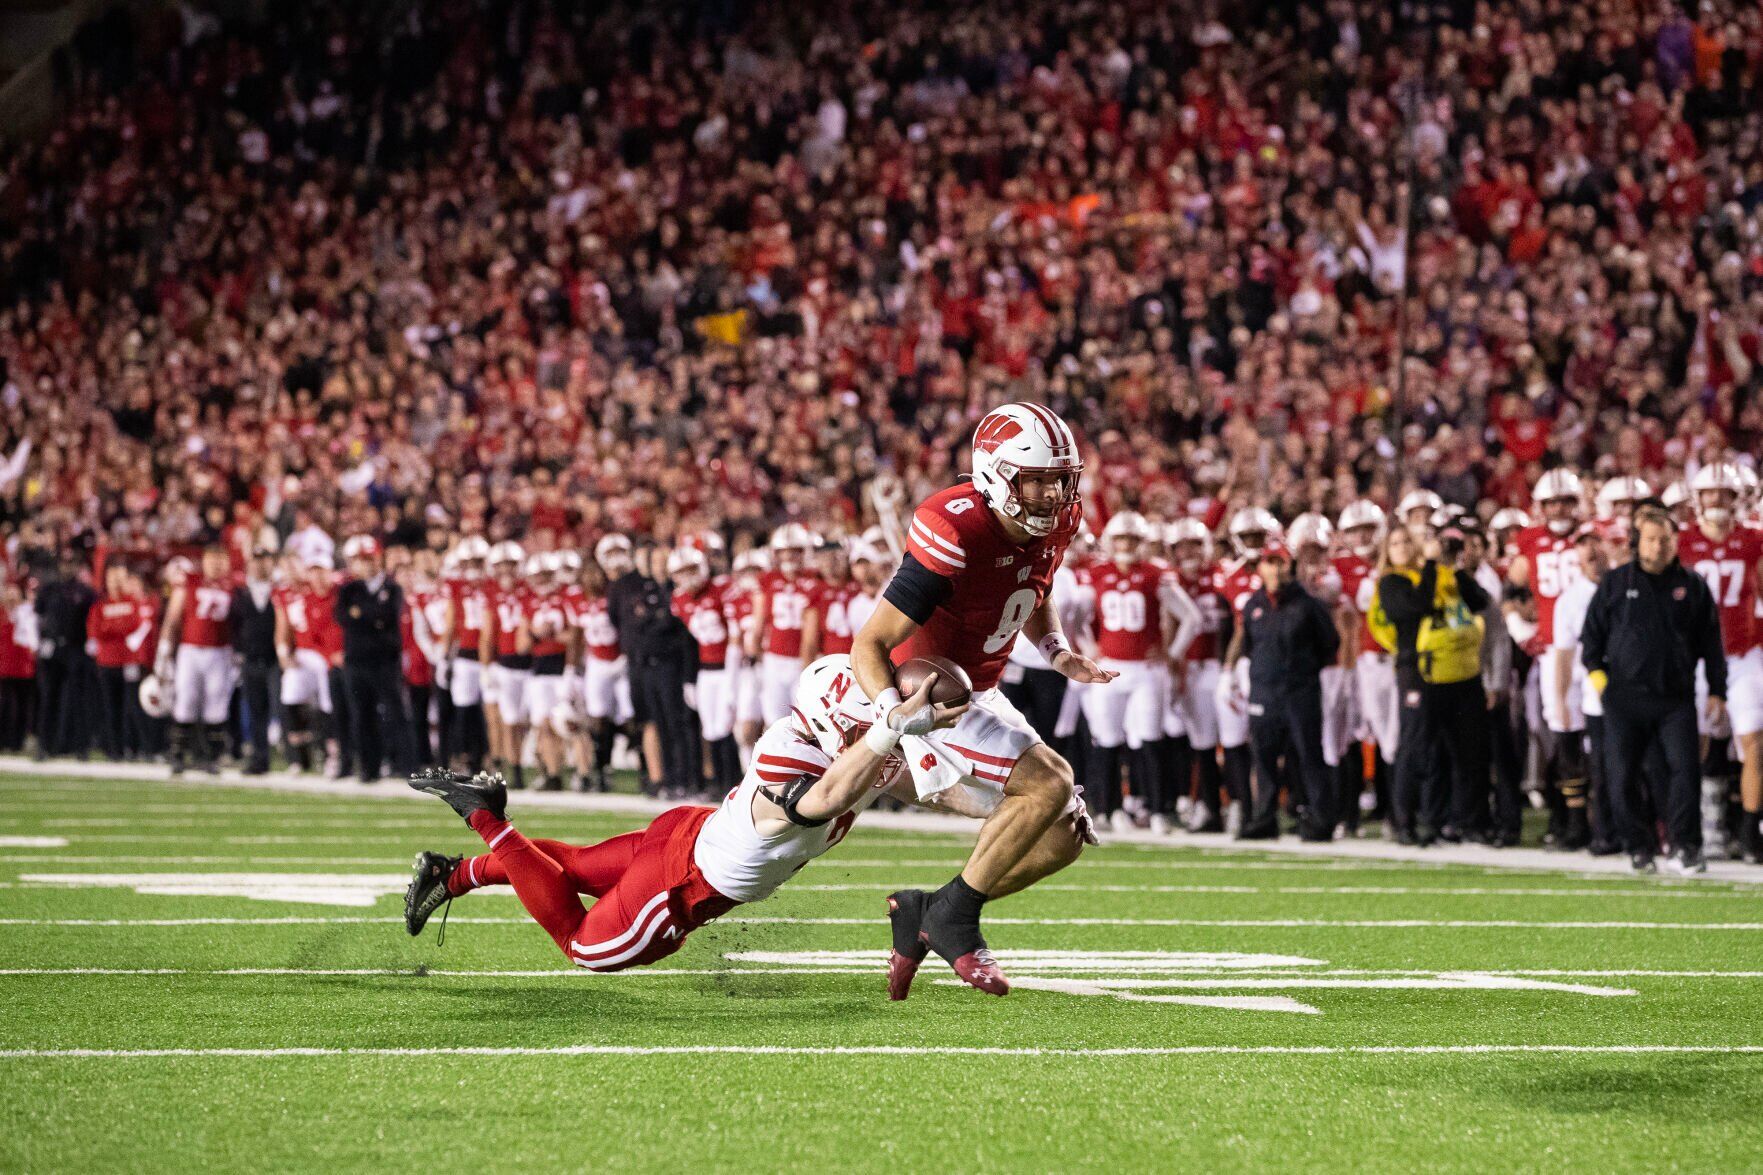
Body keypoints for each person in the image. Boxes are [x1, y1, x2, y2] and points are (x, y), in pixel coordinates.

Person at [400, 658, 966, 972]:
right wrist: (890, 728)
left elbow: (924, 787)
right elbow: (821, 801)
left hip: (687, 832)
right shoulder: (796, 756)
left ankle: (449, 875)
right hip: (684, 880)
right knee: (583, 948)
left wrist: (1015, 801)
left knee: (568, 870)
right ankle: (485, 819)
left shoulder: (857, 752)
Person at [852, 403, 1112, 998]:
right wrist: (896, 713)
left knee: (1062, 834)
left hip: (984, 690)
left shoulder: (1057, 523)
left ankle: (930, 909)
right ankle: (955, 919)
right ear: (996, 474)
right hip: (931, 693)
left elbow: (1032, 581)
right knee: (1051, 782)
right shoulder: (956, 527)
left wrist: (1056, 650)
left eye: (1060, 479)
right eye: (1037, 480)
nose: (1053, 494)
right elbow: (869, 642)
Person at [1582, 504, 1728, 874]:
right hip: (1624, 698)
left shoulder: (1692, 586)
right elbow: (1591, 644)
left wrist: (1717, 690)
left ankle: (1687, 846)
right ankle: (1639, 847)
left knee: (1685, 772)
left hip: (1674, 698)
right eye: (1652, 539)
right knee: (1622, 775)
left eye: (1666, 539)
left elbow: (1711, 643)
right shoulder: (1616, 583)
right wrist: (1603, 686)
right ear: (1637, 542)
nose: (1660, 546)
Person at [1375, 524, 1494, 845]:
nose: (1401, 546)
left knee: (1459, 749)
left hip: (1456, 671)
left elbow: (1479, 600)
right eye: (1394, 542)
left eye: (1405, 541)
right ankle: (1404, 821)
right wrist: (1429, 566)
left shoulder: (1439, 575)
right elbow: (1418, 606)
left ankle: (1450, 821)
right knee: (1416, 746)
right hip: (1418, 672)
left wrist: (1452, 568)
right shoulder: (1391, 582)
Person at [1676, 462, 1763, 863]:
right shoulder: (1681, 542)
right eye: (1709, 493)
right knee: (1691, 744)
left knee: (1754, 742)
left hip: (1744, 655)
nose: (1716, 501)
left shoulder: (1754, 541)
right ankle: (1700, 825)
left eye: (1723, 494)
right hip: (1696, 658)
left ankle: (1749, 830)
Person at [1233, 543, 1341, 840]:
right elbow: (1249, 647)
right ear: (1261, 567)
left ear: (1289, 566)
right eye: (1270, 562)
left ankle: (1321, 819)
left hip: (1299, 691)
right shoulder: (1253, 605)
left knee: (1309, 755)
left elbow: (1329, 645)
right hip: (1264, 692)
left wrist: (1300, 672)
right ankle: (1264, 818)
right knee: (1263, 758)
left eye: (1281, 562)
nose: (1276, 569)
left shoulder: (1309, 604)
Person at [335, 535, 416, 784]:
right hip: (357, 662)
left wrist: (361, 614)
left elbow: (387, 616)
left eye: (369, 559)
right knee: (361, 715)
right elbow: (342, 617)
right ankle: (368, 768)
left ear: (378, 558)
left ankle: (406, 765)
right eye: (361, 560)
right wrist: (372, 619)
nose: (366, 565)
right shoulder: (349, 589)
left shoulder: (392, 588)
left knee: (395, 713)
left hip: (384, 662)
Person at [156, 546, 237, 774]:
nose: (217, 565)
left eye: (221, 559)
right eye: (213, 559)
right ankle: (178, 755)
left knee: (216, 705)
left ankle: (211, 757)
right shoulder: (190, 582)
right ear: (204, 561)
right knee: (185, 701)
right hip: (190, 649)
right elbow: (173, 617)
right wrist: (164, 650)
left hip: (220, 651)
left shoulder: (234, 587)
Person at [231, 543, 281, 774]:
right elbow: (233, 625)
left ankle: (295, 758)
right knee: (256, 709)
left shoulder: (281, 590)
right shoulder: (240, 591)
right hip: (251, 658)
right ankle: (260, 758)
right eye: (256, 559)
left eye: (265, 559)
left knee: (281, 707)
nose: (261, 564)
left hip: (275, 659)